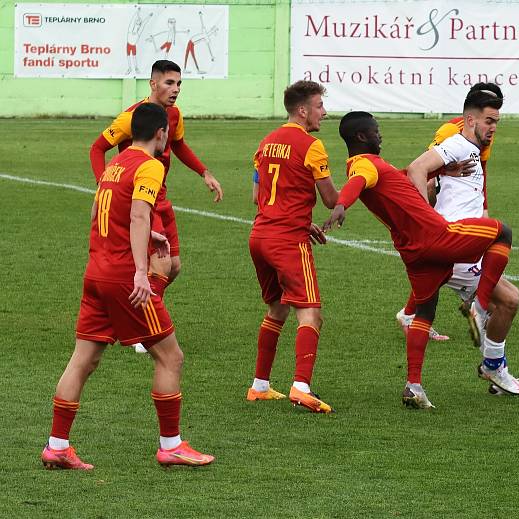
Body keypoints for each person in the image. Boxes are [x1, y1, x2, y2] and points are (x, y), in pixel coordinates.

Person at [41, 103, 214, 470]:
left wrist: (147, 233)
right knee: (171, 356)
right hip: (124, 279)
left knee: (83, 360)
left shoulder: (114, 165)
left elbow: (100, 214)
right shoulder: (150, 166)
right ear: (162, 134)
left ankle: (57, 445)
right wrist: (140, 270)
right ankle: (171, 445)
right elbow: (137, 212)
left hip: (96, 274)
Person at [324, 111, 519, 409]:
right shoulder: (364, 166)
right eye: (376, 130)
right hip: (436, 236)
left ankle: (414, 386)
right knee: (502, 232)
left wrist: (445, 171)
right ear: (361, 137)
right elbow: (357, 181)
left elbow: (404, 175)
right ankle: (481, 304)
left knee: (424, 313)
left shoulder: (374, 167)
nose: (380, 135)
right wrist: (342, 204)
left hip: (412, 252)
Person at [404, 85, 519, 396]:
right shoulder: (457, 144)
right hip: (456, 249)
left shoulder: (471, 151)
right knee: (508, 299)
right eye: (489, 121)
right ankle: (491, 362)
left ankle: (489, 367)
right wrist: (428, 219)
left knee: (501, 304)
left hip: (464, 246)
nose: (493, 128)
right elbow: (416, 168)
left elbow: (433, 180)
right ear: (469, 119)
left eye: (496, 122)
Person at [90, 60, 223, 352]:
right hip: (141, 199)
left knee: (173, 267)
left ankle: (131, 315)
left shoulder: (173, 115)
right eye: (168, 83)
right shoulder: (132, 118)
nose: (175, 90)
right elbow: (97, 147)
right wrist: (104, 184)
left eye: (178, 84)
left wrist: (205, 173)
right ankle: (143, 329)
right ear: (152, 84)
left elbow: (179, 145)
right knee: (159, 263)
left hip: (162, 199)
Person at [246, 80, 338, 414]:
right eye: (319, 106)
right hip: (287, 241)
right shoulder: (311, 145)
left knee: (277, 309)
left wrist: (297, 217)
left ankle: (260, 386)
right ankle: (301, 386)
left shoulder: (267, 141)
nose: (323, 112)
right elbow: (331, 200)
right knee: (310, 312)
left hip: (260, 236)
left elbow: (258, 196)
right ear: (303, 110)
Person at [394, 82, 502, 345]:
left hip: (465, 197)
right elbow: (423, 168)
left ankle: (412, 316)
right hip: (441, 197)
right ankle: (478, 307)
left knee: (441, 266)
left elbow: (480, 168)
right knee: (456, 258)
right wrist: (424, 212)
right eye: (490, 117)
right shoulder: (450, 132)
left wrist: (484, 203)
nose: (494, 124)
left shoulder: (486, 131)